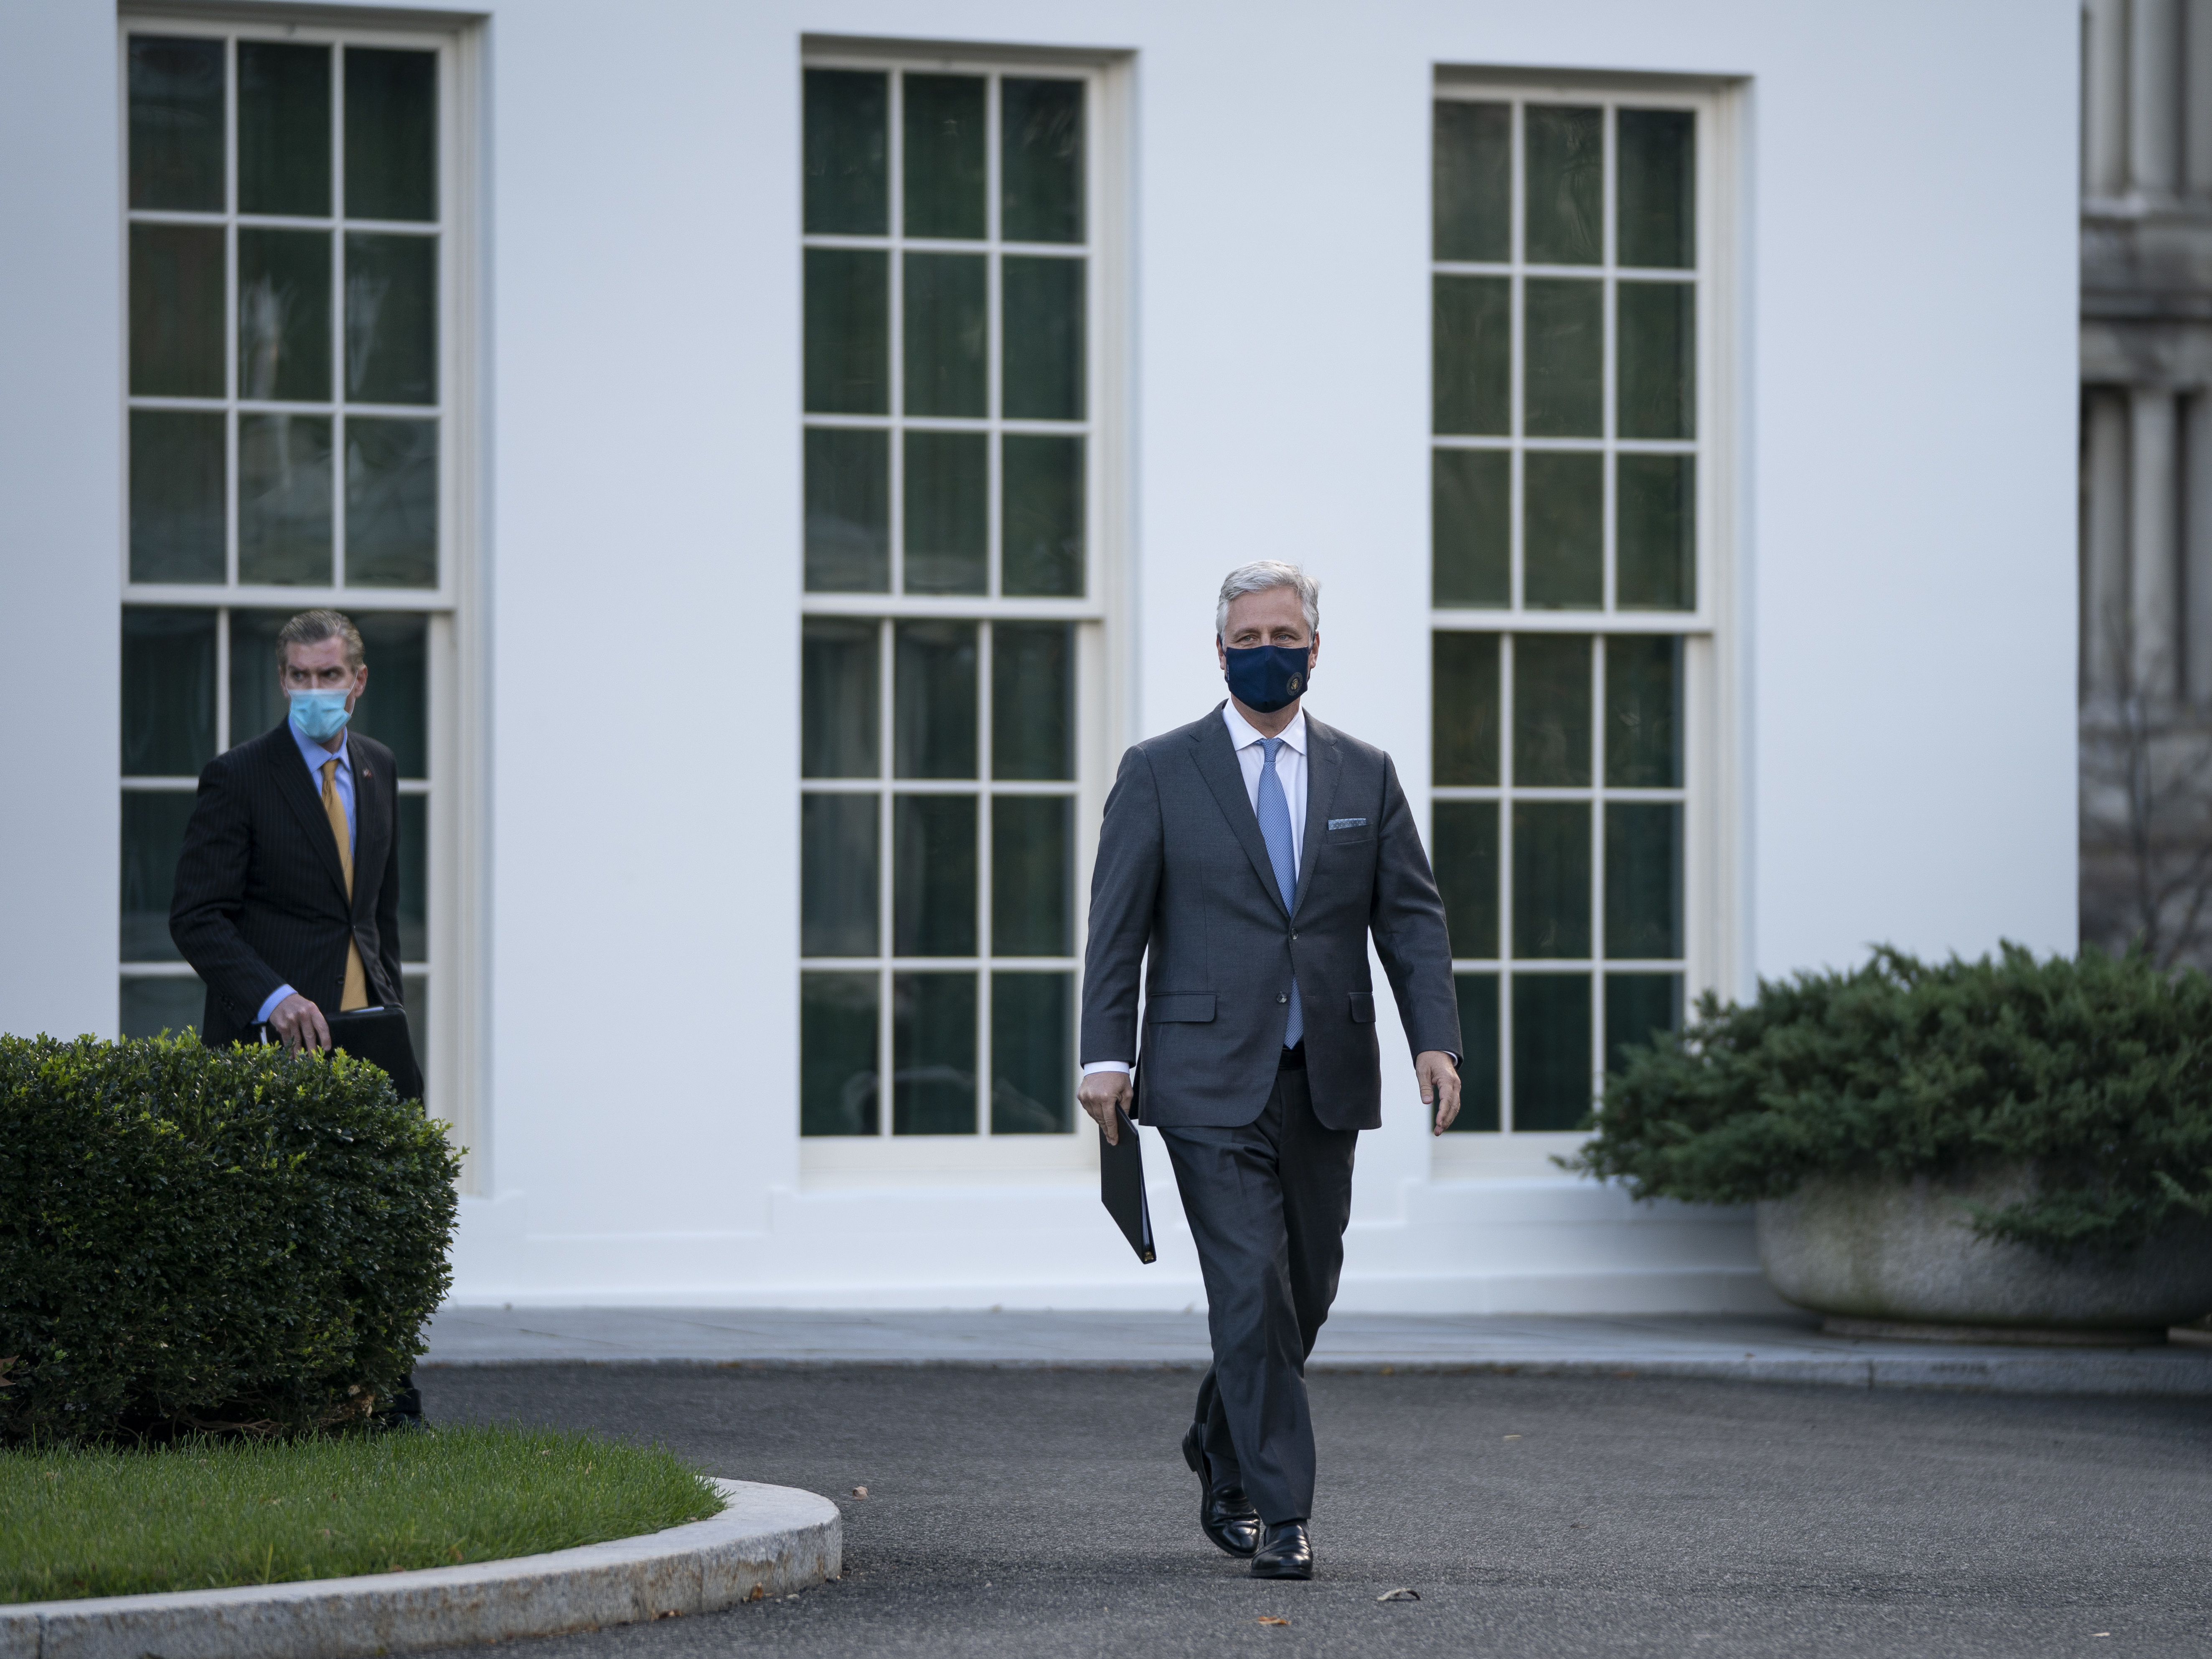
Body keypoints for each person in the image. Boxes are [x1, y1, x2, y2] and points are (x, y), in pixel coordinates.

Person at [1077, 561, 1461, 1580]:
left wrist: (1432, 1038)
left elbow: (1409, 919)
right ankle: (1278, 1509)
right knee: (1248, 1284)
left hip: (1321, 1072)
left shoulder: (1363, 774)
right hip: (1202, 1075)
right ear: (1219, 652)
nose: (1265, 651)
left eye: (1283, 635)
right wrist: (1105, 1055)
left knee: (1303, 1292)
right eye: (1246, 637)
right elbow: (1116, 926)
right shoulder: (1159, 771)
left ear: (1314, 649)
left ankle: (1218, 1439)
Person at [169, 607, 422, 1424]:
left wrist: (393, 1011)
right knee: (276, 1230)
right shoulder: (239, 776)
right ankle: (278, 1403)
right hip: (270, 1045)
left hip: (368, 1036)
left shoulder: (379, 767)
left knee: (379, 1217)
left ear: (358, 680)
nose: (315, 690)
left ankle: (388, 1395)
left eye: (329, 675)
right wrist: (273, 998)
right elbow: (197, 917)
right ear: (282, 679)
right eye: (301, 677)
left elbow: (378, 916)